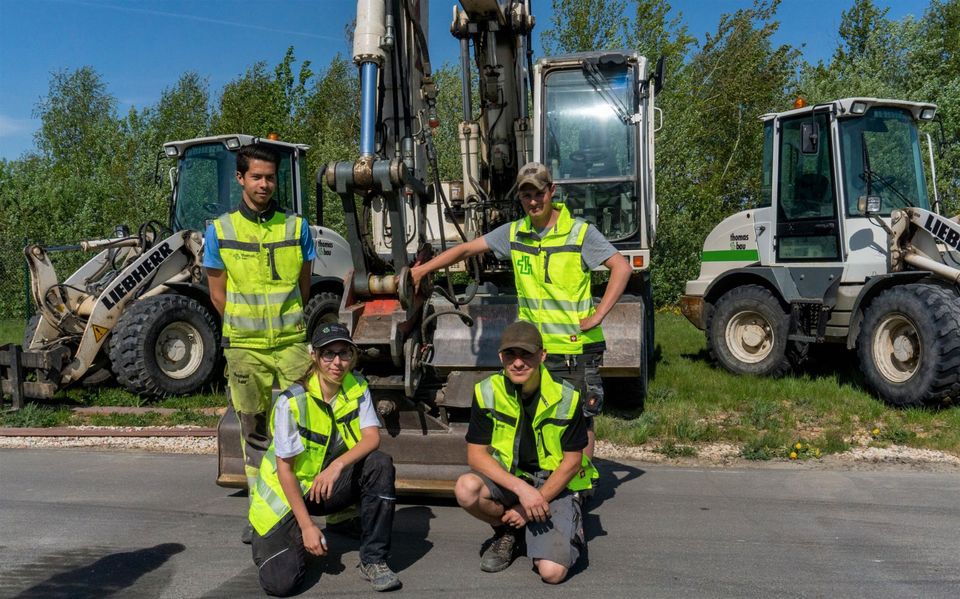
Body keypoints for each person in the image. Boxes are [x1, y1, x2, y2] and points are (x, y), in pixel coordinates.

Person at [411, 161, 631, 459]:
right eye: (526, 196)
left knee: (578, 419)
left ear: (551, 191)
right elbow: (465, 250)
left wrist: (598, 315)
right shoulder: (515, 234)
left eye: (538, 194)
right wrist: (422, 271)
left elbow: (621, 267)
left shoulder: (579, 233)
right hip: (532, 348)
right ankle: (547, 478)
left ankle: (579, 486)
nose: (533, 201)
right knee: (539, 416)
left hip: (574, 348)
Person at [204, 143, 315, 543]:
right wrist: (243, 331)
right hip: (245, 349)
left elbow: (304, 285)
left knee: (303, 428)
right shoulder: (220, 231)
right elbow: (218, 295)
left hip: (291, 347)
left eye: (270, 177)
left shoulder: (296, 227)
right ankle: (260, 513)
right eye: (256, 177)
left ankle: (302, 509)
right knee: (255, 434)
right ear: (240, 179)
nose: (264, 184)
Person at [248, 322, 401, 595]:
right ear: (314, 356)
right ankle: (291, 534)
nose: (337, 362)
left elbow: (371, 438)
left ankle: (374, 560)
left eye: (344, 353)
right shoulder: (291, 401)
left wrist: (337, 465)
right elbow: (285, 471)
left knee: (379, 464)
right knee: (280, 584)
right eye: (328, 354)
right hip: (285, 496)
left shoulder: (356, 386)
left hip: (325, 487)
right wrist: (307, 526)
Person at [454, 321, 597, 584]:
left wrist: (531, 501)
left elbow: (572, 462)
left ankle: (566, 525)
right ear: (501, 357)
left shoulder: (567, 396)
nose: (518, 363)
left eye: (526, 354)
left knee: (552, 573)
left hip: (554, 482)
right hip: (513, 480)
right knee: (466, 488)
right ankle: (508, 532)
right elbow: (476, 456)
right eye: (511, 355)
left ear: (542, 355)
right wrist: (523, 493)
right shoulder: (487, 391)